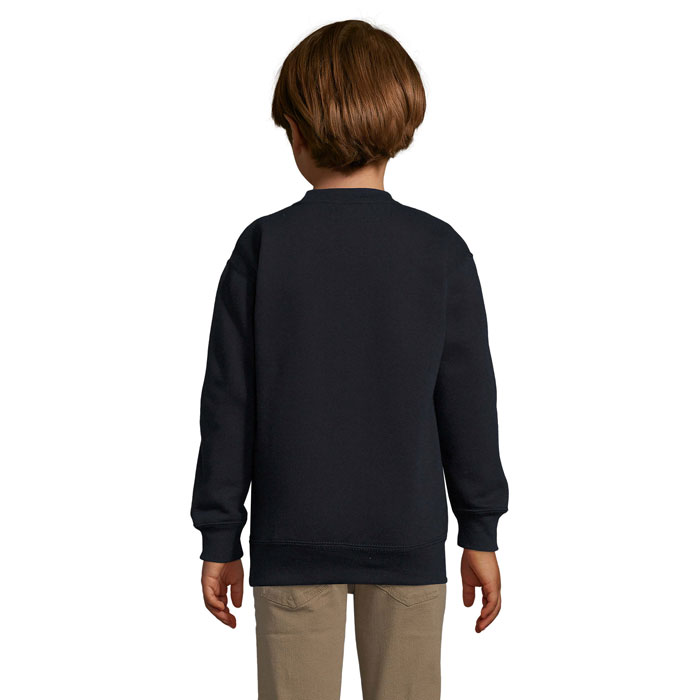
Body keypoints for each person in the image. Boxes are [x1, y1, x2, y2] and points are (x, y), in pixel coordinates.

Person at [191, 19, 509, 700]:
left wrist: (220, 537)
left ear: (297, 133)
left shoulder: (264, 248)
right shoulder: (439, 250)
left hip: (292, 545)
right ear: (401, 122)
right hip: (408, 543)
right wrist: (479, 531)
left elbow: (228, 407)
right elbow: (469, 406)